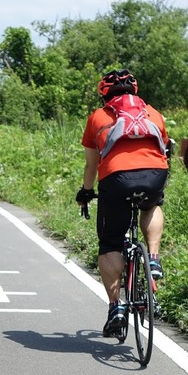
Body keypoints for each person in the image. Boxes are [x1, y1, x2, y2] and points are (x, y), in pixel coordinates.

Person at [75, 69, 169, 337]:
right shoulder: (154, 113)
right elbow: (164, 149)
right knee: (151, 205)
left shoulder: (97, 117)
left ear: (104, 94)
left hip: (116, 179)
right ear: (135, 91)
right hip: (154, 175)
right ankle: (152, 258)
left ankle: (116, 307)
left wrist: (86, 192)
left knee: (110, 243)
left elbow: (91, 165)